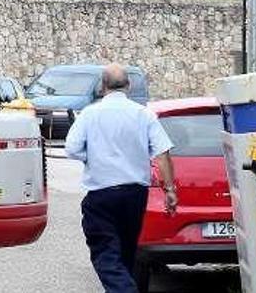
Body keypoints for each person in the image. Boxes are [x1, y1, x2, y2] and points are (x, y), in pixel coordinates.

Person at [65, 64, 178, 293]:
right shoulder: (143, 114)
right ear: (128, 85)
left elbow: (72, 148)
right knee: (125, 253)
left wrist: (93, 158)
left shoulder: (89, 114)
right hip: (135, 194)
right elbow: (163, 152)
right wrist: (169, 190)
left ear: (102, 86)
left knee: (106, 253)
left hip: (101, 194)